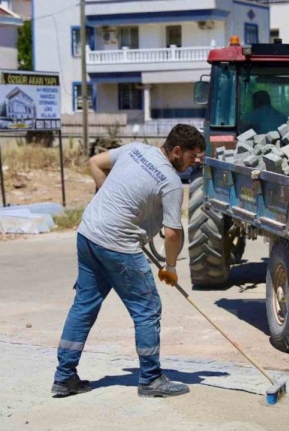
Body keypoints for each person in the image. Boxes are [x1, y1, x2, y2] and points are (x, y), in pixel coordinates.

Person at [52, 124, 205, 398]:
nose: (196, 161)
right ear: (177, 151)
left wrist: (109, 198)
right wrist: (170, 268)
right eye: (193, 156)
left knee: (84, 306)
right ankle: (150, 379)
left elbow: (95, 162)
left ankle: (64, 378)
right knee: (147, 309)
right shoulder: (170, 182)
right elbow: (172, 234)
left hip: (88, 233)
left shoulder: (135, 149)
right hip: (117, 245)